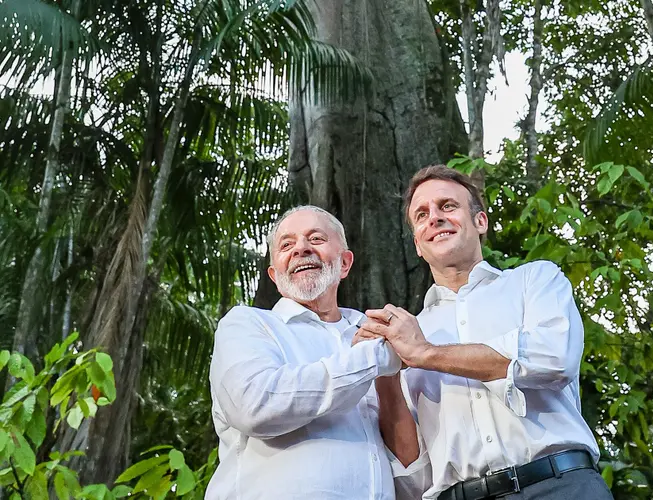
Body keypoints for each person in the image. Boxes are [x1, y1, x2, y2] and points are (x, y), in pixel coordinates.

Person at [355, 166, 613, 500]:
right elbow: (414, 472)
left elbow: (553, 358)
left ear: (480, 222)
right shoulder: (409, 333)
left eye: (447, 206)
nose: (434, 218)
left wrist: (427, 354)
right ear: (418, 244)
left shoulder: (534, 280)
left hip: (562, 486)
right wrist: (384, 377)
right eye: (422, 215)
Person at [207, 205, 404, 500]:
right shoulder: (247, 324)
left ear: (345, 263)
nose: (301, 249)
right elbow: (256, 406)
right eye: (287, 245)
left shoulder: (375, 331)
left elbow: (404, 448)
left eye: (316, 239)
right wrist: (372, 358)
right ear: (274, 274)